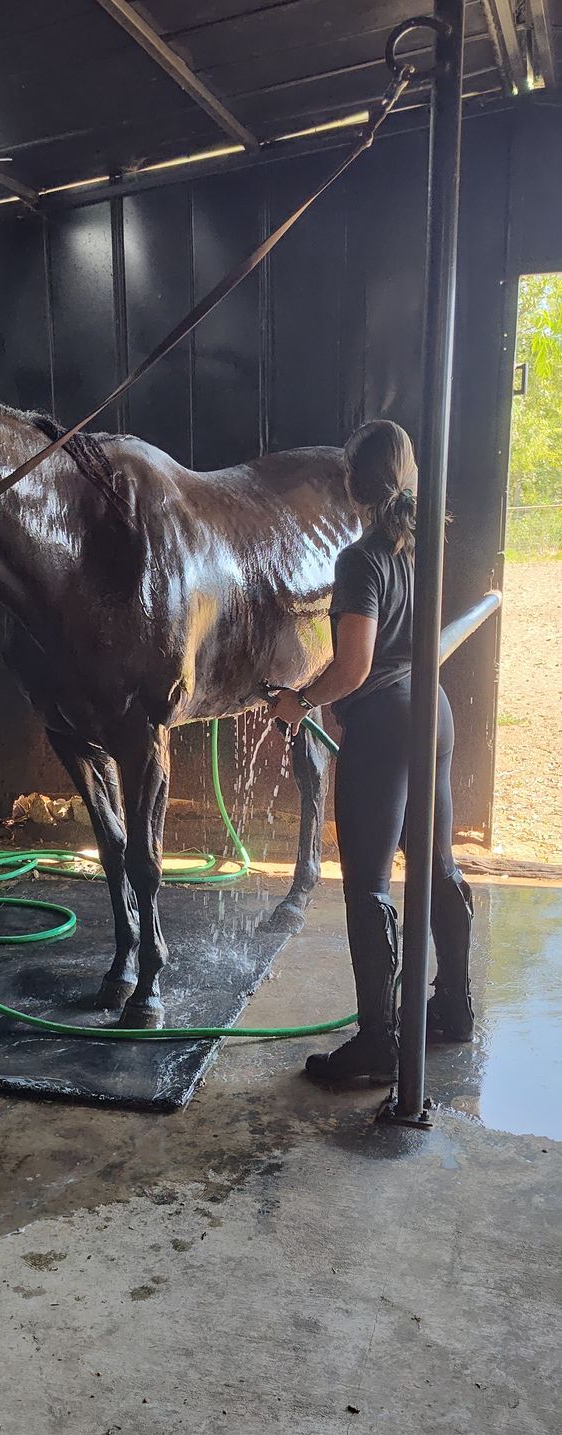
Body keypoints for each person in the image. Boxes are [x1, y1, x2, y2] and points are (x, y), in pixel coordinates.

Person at [268, 418, 474, 1085]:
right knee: (437, 863)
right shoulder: (417, 546)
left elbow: (353, 667)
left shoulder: (359, 559)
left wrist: (298, 699)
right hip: (430, 711)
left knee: (368, 884)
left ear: (352, 480)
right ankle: (454, 1006)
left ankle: (378, 1046)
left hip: (384, 725)